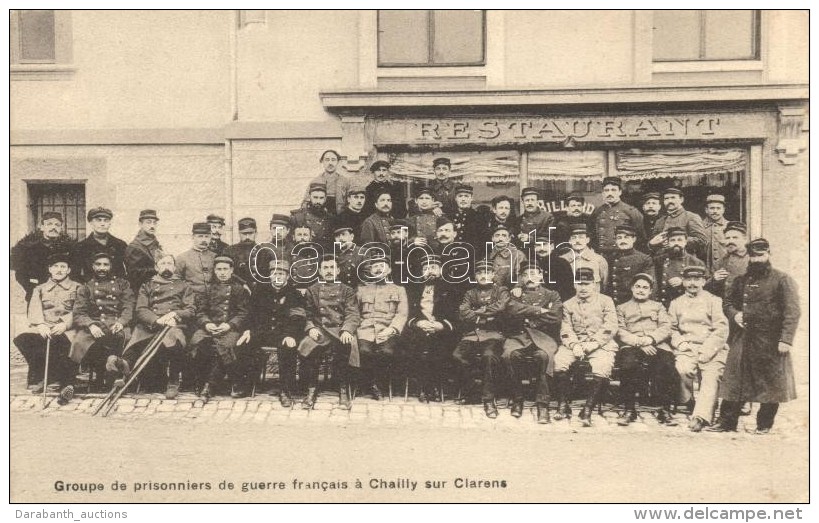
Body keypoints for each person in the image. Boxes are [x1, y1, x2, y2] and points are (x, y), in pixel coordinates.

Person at [711, 239, 801, 434]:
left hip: (771, 340)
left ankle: (764, 424)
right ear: (749, 257)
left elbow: (792, 312)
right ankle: (727, 422)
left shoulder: (782, 280)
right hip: (743, 338)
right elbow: (727, 304)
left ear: (768, 255)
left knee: (770, 384)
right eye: (753, 256)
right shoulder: (740, 280)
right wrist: (735, 314)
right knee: (735, 379)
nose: (757, 259)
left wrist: (785, 339)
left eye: (761, 255)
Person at [122, 254, 196, 399]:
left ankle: (173, 382)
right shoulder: (147, 285)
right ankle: (122, 368)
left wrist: (175, 314)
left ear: (174, 267)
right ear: (156, 267)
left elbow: (191, 309)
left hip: (174, 324)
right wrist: (156, 320)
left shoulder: (184, 286)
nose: (166, 266)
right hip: (151, 325)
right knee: (136, 340)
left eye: (169, 263)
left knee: (175, 341)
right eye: (163, 264)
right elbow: (141, 309)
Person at [552, 267, 619, 426]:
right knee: (559, 362)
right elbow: (566, 328)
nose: (583, 287)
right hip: (575, 344)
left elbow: (610, 326)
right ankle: (563, 405)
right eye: (579, 283)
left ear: (594, 285)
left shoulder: (605, 301)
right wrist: (574, 345)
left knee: (602, 366)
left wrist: (594, 342)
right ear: (574, 285)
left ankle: (587, 409)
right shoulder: (568, 304)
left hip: (601, 344)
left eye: (587, 284)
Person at [668, 265, 729, 432]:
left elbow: (721, 328)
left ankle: (700, 417)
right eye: (688, 280)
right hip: (687, 347)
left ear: (703, 281)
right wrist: (681, 344)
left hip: (711, 347)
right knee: (682, 369)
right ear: (683, 282)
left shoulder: (714, 301)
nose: (692, 283)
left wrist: (707, 351)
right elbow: (671, 329)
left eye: (697, 279)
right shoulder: (676, 303)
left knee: (710, 376)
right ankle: (689, 402)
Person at [13, 252, 80, 405]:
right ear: (49, 269)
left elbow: (79, 310)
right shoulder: (40, 289)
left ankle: (65, 384)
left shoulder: (77, 287)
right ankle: (49, 374)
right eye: (55, 266)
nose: (59, 270)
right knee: (22, 339)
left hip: (67, 329)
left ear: (69, 270)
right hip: (45, 326)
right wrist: (40, 324)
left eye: (63, 266)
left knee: (62, 343)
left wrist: (64, 324)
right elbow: (34, 308)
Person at [502, 262, 563, 423]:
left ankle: (542, 404)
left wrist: (526, 315)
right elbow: (510, 311)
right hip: (519, 336)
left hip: (544, 337)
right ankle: (518, 399)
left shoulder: (552, 294)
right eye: (526, 275)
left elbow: (555, 318)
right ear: (521, 278)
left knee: (544, 357)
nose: (531, 278)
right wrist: (539, 311)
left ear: (542, 276)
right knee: (510, 355)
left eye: (534, 273)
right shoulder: (515, 294)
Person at [297, 255, 361, 410]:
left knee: (346, 347)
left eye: (332, 267)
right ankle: (311, 389)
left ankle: (343, 390)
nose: (329, 271)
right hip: (320, 330)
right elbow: (306, 313)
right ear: (319, 271)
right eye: (325, 268)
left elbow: (353, 313)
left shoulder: (347, 290)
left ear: (338, 270)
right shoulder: (312, 290)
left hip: (340, 330)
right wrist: (310, 328)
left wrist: (347, 330)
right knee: (308, 347)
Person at [615, 273, 677, 427]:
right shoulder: (621, 308)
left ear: (650, 291)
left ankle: (664, 409)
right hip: (632, 344)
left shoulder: (658, 307)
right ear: (632, 288)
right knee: (628, 365)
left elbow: (666, 327)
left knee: (667, 363)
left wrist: (651, 339)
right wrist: (639, 342)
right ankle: (629, 409)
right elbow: (620, 330)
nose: (641, 290)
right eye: (637, 286)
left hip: (656, 344)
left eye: (645, 288)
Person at [70, 252, 135, 392]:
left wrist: (122, 322)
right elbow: (79, 312)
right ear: (93, 266)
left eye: (106, 264)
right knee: (79, 342)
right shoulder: (86, 287)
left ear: (111, 266)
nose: (102, 268)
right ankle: (73, 381)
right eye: (98, 264)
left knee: (124, 338)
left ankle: (118, 375)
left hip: (116, 322)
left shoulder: (122, 284)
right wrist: (91, 325)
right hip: (95, 323)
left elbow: (128, 306)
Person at [453, 260, 511, 418]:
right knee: (457, 356)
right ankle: (474, 390)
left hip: (494, 334)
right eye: (479, 273)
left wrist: (477, 312)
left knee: (489, 357)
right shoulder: (470, 293)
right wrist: (485, 316)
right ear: (475, 276)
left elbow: (500, 307)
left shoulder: (502, 290)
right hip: (473, 335)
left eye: (487, 272)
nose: (483, 275)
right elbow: (463, 312)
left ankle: (488, 400)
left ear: (493, 275)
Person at [246, 259, 306, 407]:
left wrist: (290, 334)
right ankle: (246, 384)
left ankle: (286, 390)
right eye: (274, 273)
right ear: (270, 275)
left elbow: (297, 318)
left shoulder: (295, 294)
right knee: (245, 343)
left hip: (284, 333)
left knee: (288, 348)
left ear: (287, 276)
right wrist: (248, 331)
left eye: (281, 273)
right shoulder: (259, 291)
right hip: (263, 332)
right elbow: (250, 314)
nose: (277, 276)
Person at [189, 256, 251, 399]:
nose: (222, 272)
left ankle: (211, 386)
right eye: (219, 269)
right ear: (215, 271)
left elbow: (243, 313)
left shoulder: (239, 289)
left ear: (231, 271)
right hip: (210, 327)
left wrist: (229, 325)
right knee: (196, 342)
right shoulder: (207, 289)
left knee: (225, 346)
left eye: (225, 269)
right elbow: (201, 311)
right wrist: (207, 323)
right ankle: (203, 382)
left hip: (230, 328)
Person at [403, 253, 460, 403]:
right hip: (419, 329)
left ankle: (435, 384)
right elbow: (406, 312)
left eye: (433, 267)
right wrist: (417, 323)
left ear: (441, 270)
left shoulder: (451, 289)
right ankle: (422, 386)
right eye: (426, 268)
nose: (430, 271)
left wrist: (442, 325)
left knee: (439, 349)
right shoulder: (413, 289)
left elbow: (456, 315)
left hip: (442, 330)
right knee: (418, 347)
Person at [356, 256, 408, 400]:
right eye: (375, 267)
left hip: (388, 329)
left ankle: (379, 384)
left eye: (382, 266)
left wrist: (392, 329)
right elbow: (356, 312)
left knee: (386, 352)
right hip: (365, 330)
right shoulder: (362, 290)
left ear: (389, 270)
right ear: (371, 271)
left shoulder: (399, 289)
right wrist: (359, 328)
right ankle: (370, 384)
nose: (378, 269)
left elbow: (402, 314)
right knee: (364, 351)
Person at [12, 211, 76, 304]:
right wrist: (34, 288)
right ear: (42, 227)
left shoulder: (69, 249)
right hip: (36, 295)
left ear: (61, 228)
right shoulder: (29, 249)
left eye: (57, 225)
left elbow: (74, 273)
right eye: (49, 224)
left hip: (64, 297)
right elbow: (21, 275)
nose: (53, 227)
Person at [590, 176, 645, 261]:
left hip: (623, 256)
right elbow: (592, 235)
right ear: (603, 193)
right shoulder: (598, 211)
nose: (610, 193)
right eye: (606, 190)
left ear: (620, 192)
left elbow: (641, 237)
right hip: (601, 256)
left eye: (613, 190)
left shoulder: (631, 211)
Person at [654, 227, 707, 308]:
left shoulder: (696, 262)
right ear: (668, 242)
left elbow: (705, 285)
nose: (676, 243)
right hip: (664, 305)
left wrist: (683, 282)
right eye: (673, 240)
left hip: (688, 305)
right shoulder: (659, 260)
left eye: (680, 240)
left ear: (685, 242)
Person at [71, 207, 128, 282]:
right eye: (98, 220)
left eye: (106, 220)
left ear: (110, 223)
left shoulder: (120, 245)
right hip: (92, 289)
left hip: (117, 289)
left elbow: (129, 270)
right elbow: (75, 275)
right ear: (91, 223)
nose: (102, 224)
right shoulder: (81, 247)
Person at [649, 187, 708, 259]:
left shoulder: (691, 217)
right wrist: (651, 244)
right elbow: (653, 241)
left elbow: (702, 240)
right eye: (666, 198)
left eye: (673, 198)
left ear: (681, 200)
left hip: (684, 261)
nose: (669, 201)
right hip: (663, 262)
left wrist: (678, 241)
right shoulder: (660, 221)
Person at [608, 224, 655, 304]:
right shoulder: (611, 258)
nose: (622, 241)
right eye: (619, 238)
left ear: (634, 239)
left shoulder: (644, 259)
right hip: (613, 304)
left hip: (633, 304)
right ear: (615, 241)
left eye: (626, 237)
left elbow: (648, 285)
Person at [705, 221, 748, 298]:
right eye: (727, 238)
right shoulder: (720, 262)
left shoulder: (752, 259)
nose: (730, 241)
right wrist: (714, 280)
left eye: (735, 237)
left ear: (745, 239)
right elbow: (708, 290)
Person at [560, 223, 608, 291]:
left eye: (581, 237)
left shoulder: (599, 260)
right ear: (569, 241)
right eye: (574, 238)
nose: (577, 241)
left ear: (587, 240)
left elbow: (604, 285)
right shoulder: (562, 260)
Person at [124, 209, 163, 292]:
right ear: (140, 224)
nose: (152, 226)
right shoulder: (135, 247)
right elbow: (134, 274)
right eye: (148, 222)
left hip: (156, 287)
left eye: (154, 222)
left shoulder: (155, 242)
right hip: (142, 290)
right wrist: (158, 269)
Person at [175, 222, 217, 297]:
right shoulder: (182, 257)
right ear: (193, 237)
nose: (204, 240)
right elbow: (176, 280)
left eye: (206, 236)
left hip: (212, 299)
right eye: (200, 236)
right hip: (191, 299)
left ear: (210, 238)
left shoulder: (215, 257)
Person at [303, 149, 350, 214]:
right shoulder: (315, 181)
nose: (330, 163)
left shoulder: (345, 181)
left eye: (333, 160)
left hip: (339, 217)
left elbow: (351, 202)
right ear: (322, 161)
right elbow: (306, 202)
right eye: (327, 160)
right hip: (320, 218)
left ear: (338, 162)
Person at [292, 182, 332, 249]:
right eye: (315, 197)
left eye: (321, 198)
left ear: (325, 199)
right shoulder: (298, 216)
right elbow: (290, 240)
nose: (318, 201)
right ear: (309, 197)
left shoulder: (330, 218)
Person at [486, 224, 526, 289]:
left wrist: (517, 288)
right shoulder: (488, 256)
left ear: (509, 239)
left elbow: (522, 276)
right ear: (492, 238)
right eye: (497, 235)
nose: (500, 239)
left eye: (504, 236)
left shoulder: (518, 255)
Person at [224, 217, 259, 286]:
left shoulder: (264, 251)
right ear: (239, 233)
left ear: (256, 233)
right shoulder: (229, 251)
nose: (247, 237)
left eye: (250, 233)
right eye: (244, 234)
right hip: (238, 291)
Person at [449, 183, 483, 248]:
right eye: (460, 196)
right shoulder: (449, 216)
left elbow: (482, 241)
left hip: (472, 255)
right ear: (455, 198)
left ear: (471, 198)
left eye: (466, 196)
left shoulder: (479, 217)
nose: (463, 199)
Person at [702, 193, 729, 271]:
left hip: (725, 270)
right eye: (712, 208)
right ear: (706, 210)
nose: (715, 211)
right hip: (704, 271)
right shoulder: (699, 226)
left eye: (718, 208)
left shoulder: (730, 227)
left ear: (723, 210)